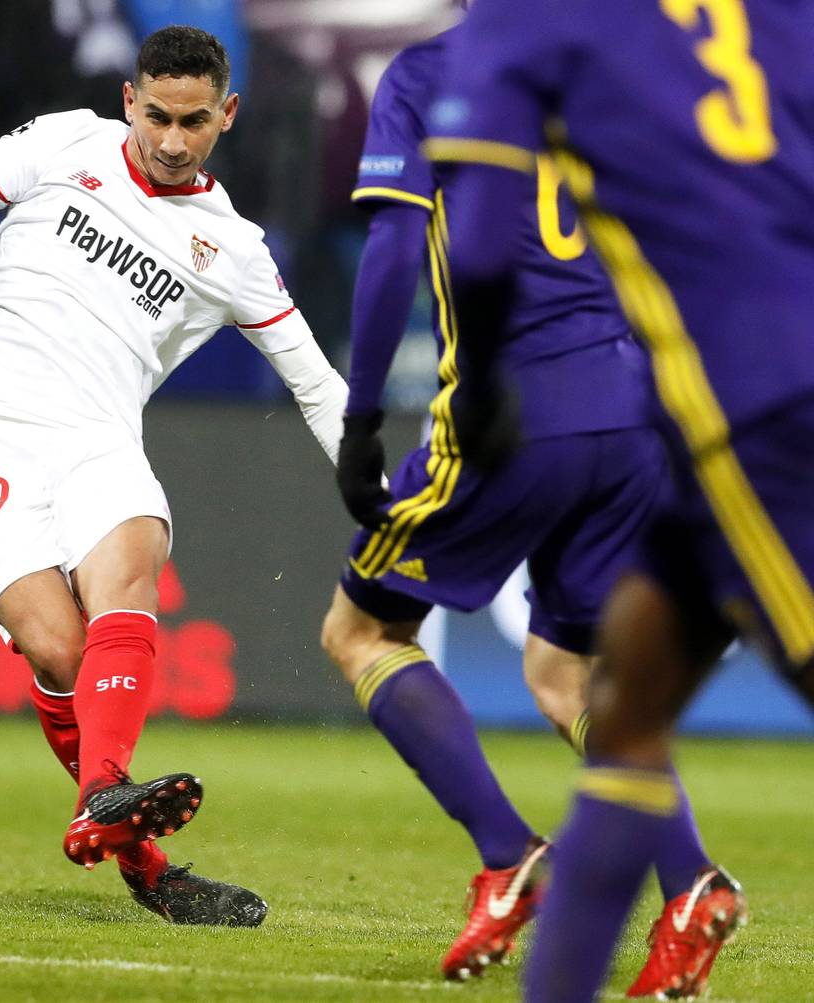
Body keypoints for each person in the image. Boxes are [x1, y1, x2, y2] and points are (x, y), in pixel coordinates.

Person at [0, 25, 348, 926]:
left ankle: (105, 792)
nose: (173, 140)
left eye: (194, 121)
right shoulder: (63, 144)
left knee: (135, 551)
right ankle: (145, 863)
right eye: (157, 116)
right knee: (59, 651)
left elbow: (318, 387)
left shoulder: (234, 249)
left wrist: (383, 496)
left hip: (98, 436)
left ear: (228, 114)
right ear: (129, 100)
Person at [321, 13, 736, 990]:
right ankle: (690, 886)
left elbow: (393, 245)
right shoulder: (618, 74)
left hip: (512, 410)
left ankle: (508, 855)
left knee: (361, 631)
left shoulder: (429, 71)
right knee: (567, 676)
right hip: (633, 409)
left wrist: (361, 416)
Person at [422, 0, 814, 999]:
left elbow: (477, 240)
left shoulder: (524, 20)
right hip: (691, 420)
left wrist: (481, 387)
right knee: (623, 700)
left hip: (756, 408)